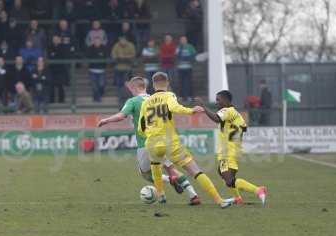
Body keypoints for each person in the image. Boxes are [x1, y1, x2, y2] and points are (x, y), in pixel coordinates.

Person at [98, 76, 201, 205]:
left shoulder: (133, 101)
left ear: (134, 87)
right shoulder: (155, 98)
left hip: (145, 144)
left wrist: (106, 120)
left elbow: (121, 116)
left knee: (145, 173)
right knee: (171, 168)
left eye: (130, 88)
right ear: (145, 87)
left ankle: (166, 187)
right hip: (164, 141)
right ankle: (193, 195)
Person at [138, 72, 234, 208]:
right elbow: (174, 107)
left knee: (155, 166)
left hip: (152, 142)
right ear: (167, 84)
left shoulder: (145, 102)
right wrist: (191, 110)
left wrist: (150, 134)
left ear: (153, 85)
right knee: (195, 170)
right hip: (170, 142)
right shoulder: (169, 95)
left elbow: (140, 128)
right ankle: (220, 201)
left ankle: (161, 197)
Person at [197, 90, 268, 205]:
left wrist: (203, 107)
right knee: (224, 175)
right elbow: (244, 128)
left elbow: (216, 118)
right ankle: (238, 198)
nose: (216, 103)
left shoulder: (226, 111)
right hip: (235, 151)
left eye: (218, 100)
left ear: (226, 100)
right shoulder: (237, 114)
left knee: (229, 180)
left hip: (226, 151)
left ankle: (258, 190)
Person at [111, 36, 136, 104]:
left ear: (126, 40)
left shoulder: (130, 45)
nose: (122, 42)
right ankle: (120, 97)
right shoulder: (116, 45)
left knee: (129, 84)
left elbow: (133, 55)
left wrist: (125, 57)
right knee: (119, 84)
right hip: (118, 68)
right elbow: (113, 55)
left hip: (128, 68)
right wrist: (119, 57)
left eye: (123, 40)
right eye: (120, 40)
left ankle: (129, 97)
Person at [47, 35, 67, 103]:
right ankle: (51, 100)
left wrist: (54, 54)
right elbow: (50, 56)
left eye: (57, 39)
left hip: (61, 69)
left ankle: (61, 100)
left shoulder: (63, 47)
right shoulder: (50, 47)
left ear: (59, 40)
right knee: (51, 86)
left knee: (60, 85)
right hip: (52, 69)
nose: (55, 40)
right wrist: (55, 55)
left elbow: (62, 56)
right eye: (54, 39)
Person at [176, 36, 196, 102]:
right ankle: (181, 96)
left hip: (189, 67)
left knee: (189, 82)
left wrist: (188, 58)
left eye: (184, 40)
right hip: (180, 68)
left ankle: (189, 96)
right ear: (180, 41)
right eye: (181, 40)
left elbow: (194, 55)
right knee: (181, 82)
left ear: (186, 40)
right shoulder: (179, 47)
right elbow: (177, 56)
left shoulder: (190, 47)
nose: (183, 41)